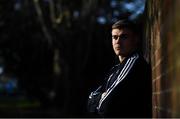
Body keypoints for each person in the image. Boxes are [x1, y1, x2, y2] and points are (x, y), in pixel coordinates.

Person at [87, 19, 152, 118]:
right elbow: (90, 100)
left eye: (124, 37)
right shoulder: (115, 69)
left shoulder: (134, 63)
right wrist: (100, 97)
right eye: (115, 37)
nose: (118, 41)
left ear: (136, 39)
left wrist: (100, 98)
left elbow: (106, 106)